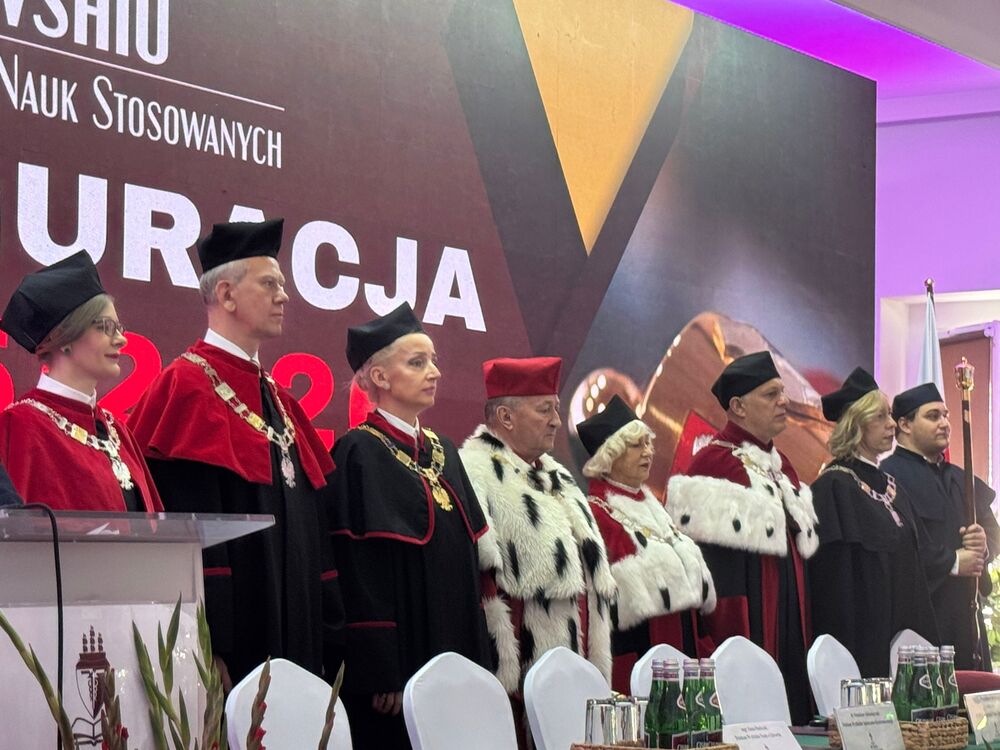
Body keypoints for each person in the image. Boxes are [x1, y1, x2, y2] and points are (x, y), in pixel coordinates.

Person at [128, 220, 342, 689]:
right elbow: (191, 531)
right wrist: (211, 642)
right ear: (226, 294)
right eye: (270, 284)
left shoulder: (281, 400)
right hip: (233, 647)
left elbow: (312, 530)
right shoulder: (186, 388)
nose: (284, 296)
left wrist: (330, 629)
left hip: (300, 640)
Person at [327, 303, 493, 750]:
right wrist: (382, 671)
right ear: (380, 377)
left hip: (455, 647)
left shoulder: (444, 451)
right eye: (418, 363)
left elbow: (469, 565)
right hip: (400, 668)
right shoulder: (358, 452)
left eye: (433, 361)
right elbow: (358, 573)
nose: (434, 372)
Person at [460, 357, 616, 719]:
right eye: (545, 409)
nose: (557, 421)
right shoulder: (474, 473)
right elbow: (478, 583)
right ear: (506, 417)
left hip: (575, 673)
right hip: (519, 680)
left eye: (557, 409)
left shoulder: (559, 475)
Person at [667, 350, 817, 724]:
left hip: (789, 620)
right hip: (746, 624)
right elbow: (712, 580)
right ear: (738, 406)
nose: (784, 401)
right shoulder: (712, 465)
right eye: (771, 394)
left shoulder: (784, 468)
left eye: (783, 392)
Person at [0, 251, 162, 512]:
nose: (121, 339)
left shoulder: (117, 430)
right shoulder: (21, 426)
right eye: (106, 327)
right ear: (65, 339)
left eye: (119, 328)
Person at [577, 395, 716, 694]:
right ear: (609, 455)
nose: (648, 451)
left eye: (648, 443)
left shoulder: (654, 507)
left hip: (684, 646)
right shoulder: (596, 515)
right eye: (636, 445)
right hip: (639, 654)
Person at [809, 368, 939, 678]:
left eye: (889, 415)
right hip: (863, 645)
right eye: (880, 416)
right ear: (856, 424)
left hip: (907, 638)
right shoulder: (832, 489)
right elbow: (834, 590)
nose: (892, 424)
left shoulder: (894, 487)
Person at [881, 382, 1000, 670]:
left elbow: (993, 533)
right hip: (921, 615)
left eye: (945, 415)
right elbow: (897, 548)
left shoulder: (960, 477)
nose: (945, 424)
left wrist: (983, 545)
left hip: (967, 615)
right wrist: (952, 561)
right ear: (904, 424)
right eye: (933, 416)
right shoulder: (887, 478)